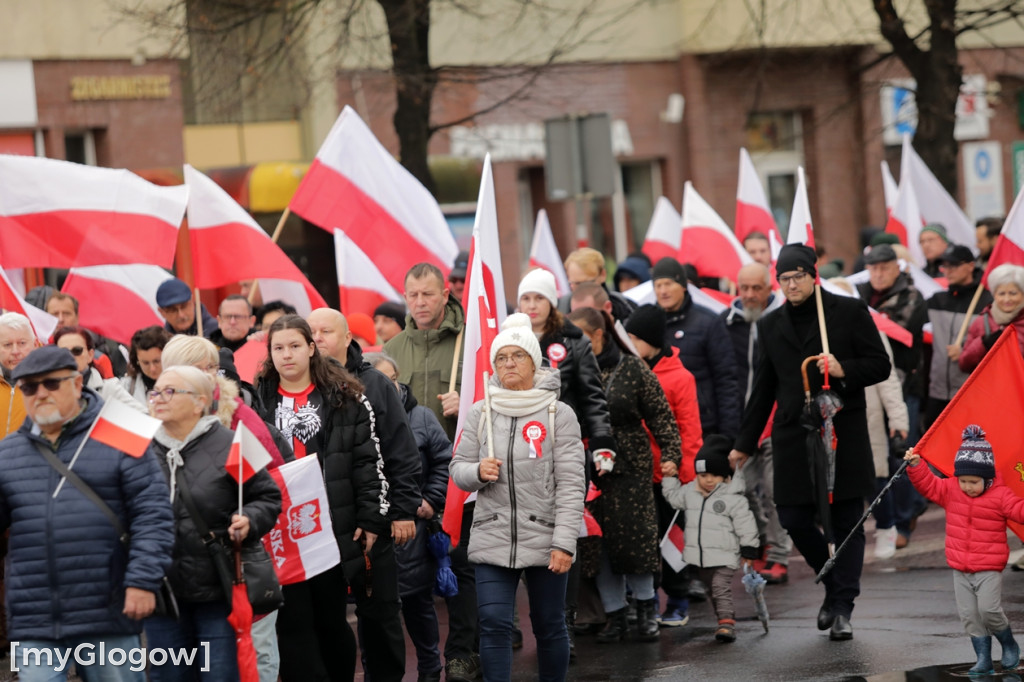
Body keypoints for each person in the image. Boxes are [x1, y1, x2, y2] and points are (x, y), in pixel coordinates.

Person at [729, 243, 890, 641]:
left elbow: (880, 365)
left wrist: (843, 368)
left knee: (846, 521)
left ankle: (843, 608)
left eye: (798, 276)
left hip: (842, 432)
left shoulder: (848, 311)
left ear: (812, 275)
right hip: (793, 435)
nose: (791, 284)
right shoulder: (769, 325)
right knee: (793, 517)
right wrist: (743, 443)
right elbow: (762, 389)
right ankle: (833, 585)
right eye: (784, 278)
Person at [0, 346, 174, 680]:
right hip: (34, 613)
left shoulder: (121, 433)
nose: (40, 394)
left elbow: (153, 516)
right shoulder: (8, 452)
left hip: (106, 608)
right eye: (29, 387)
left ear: (78, 384)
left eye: (51, 383)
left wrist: (142, 581)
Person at [449, 313, 585, 682]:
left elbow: (573, 485)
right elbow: (458, 468)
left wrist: (564, 543)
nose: (508, 364)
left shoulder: (559, 414)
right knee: (493, 625)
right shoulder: (481, 412)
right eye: (501, 358)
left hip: (546, 537)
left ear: (534, 361)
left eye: (517, 356)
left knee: (549, 624)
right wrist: (477, 472)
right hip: (493, 536)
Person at [254, 315, 390, 682]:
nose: (287, 355)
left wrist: (370, 519)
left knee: (331, 621)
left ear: (311, 348)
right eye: (278, 348)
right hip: (279, 529)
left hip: (330, 526)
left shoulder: (344, 397)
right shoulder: (257, 402)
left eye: (295, 346)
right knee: (292, 623)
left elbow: (367, 461)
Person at [146, 365, 281, 681]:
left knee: (217, 674)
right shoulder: (139, 449)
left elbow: (268, 497)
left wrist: (249, 519)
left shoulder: (234, 442)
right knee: (169, 676)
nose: (158, 399)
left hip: (217, 590)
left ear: (199, 401)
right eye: (155, 392)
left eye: (170, 391)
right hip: (161, 591)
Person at [307, 307, 421, 682]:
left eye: (326, 331)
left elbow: (401, 451)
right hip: (318, 523)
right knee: (326, 616)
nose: (318, 337)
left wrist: (401, 510)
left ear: (347, 339)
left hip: (373, 516)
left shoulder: (374, 384)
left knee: (379, 613)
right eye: (312, 332)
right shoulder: (300, 388)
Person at [566, 306, 680, 643]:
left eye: (580, 338)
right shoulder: (569, 372)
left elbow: (661, 415)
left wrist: (671, 455)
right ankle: (615, 615)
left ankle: (647, 611)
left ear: (598, 335)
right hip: (587, 468)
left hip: (630, 466)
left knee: (636, 540)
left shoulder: (632, 369)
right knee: (597, 544)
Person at [383, 263, 475, 680]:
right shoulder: (392, 348)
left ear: (445, 296)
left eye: (427, 294)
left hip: (459, 473)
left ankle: (462, 652)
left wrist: (469, 403)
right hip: (410, 488)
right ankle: (430, 660)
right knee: (419, 582)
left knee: (460, 567)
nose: (419, 302)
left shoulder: (468, 343)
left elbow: (495, 398)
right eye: (412, 295)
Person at [904, 426, 1024, 674]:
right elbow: (930, 486)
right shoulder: (951, 490)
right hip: (960, 567)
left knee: (988, 610)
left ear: (988, 478)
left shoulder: (1001, 496)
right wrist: (916, 466)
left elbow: (1018, 511)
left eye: (974, 482)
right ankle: (983, 659)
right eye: (963, 480)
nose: (968, 487)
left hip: (988, 567)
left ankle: (1009, 643)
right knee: (970, 616)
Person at [368, 351, 451, 682]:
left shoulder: (422, 417)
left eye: (392, 378)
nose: (389, 386)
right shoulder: (357, 416)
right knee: (375, 611)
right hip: (375, 526)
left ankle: (431, 669)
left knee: (418, 604)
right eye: (380, 380)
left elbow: (444, 460)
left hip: (414, 526)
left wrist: (432, 498)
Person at [618, 304, 703, 624]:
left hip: (669, 476)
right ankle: (648, 601)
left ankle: (678, 599)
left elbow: (690, 432)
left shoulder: (681, 378)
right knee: (643, 542)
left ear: (651, 340)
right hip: (636, 474)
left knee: (673, 540)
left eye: (633, 337)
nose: (627, 342)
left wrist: (684, 475)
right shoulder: (628, 370)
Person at [720, 262, 791, 584]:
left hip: (777, 421)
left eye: (756, 288)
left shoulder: (784, 320)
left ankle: (779, 554)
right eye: (743, 288)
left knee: (778, 490)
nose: (749, 295)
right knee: (743, 489)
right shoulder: (726, 324)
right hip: (742, 425)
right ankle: (761, 539)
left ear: (769, 288)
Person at [856, 243, 928, 549]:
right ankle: (899, 514)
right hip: (871, 389)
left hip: (904, 386)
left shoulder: (911, 296)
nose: (878, 274)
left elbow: (902, 332)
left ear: (896, 267)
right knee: (878, 460)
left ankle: (905, 517)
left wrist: (870, 318)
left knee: (903, 453)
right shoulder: (859, 295)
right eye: (872, 268)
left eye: (884, 267)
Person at [661, 435, 759, 643]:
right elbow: (673, 498)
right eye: (703, 475)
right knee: (712, 589)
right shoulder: (690, 493)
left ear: (724, 477)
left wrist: (749, 549)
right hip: (700, 557)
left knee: (719, 586)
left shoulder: (732, 498)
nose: (708, 480)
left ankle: (726, 623)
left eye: (714, 475)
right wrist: (670, 479)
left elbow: (746, 523)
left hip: (726, 554)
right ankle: (723, 617)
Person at [651, 256, 740, 437]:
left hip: (702, 426)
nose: (663, 291)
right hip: (659, 428)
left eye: (668, 284)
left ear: (683, 285)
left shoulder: (708, 322)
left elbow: (726, 379)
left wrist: (728, 434)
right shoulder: (648, 324)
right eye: (658, 286)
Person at [925, 244, 992, 427]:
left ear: (970, 266)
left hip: (970, 391)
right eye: (945, 266)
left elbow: (994, 343)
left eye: (954, 265)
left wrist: (965, 351)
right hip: (937, 393)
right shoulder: (936, 300)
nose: (948, 270)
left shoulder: (987, 301)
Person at [53, 326, 145, 413]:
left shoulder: (109, 389)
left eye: (77, 351)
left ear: (90, 355)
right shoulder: (48, 391)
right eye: (64, 352)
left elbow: (146, 418)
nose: (71, 356)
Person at [46, 291, 129, 376]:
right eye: (55, 314)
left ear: (77, 317)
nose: (60, 319)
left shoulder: (99, 360)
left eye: (66, 314)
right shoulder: (37, 353)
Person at [960, 264, 1024, 373]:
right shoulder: (981, 322)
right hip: (989, 388)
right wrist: (982, 343)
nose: (1007, 299)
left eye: (1013, 293)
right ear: (994, 295)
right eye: (1001, 293)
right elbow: (964, 365)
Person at [557, 247, 636, 321]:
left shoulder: (625, 308)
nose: (583, 289)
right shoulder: (559, 312)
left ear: (602, 275)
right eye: (577, 283)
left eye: (588, 283)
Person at [121, 326, 173, 408]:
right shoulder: (125, 388)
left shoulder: (186, 384)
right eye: (145, 363)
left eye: (157, 361)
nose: (152, 368)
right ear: (137, 361)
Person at [0, 312, 31, 435]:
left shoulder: (48, 385)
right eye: (7, 345)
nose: (15, 351)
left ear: (35, 344)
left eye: (22, 343)